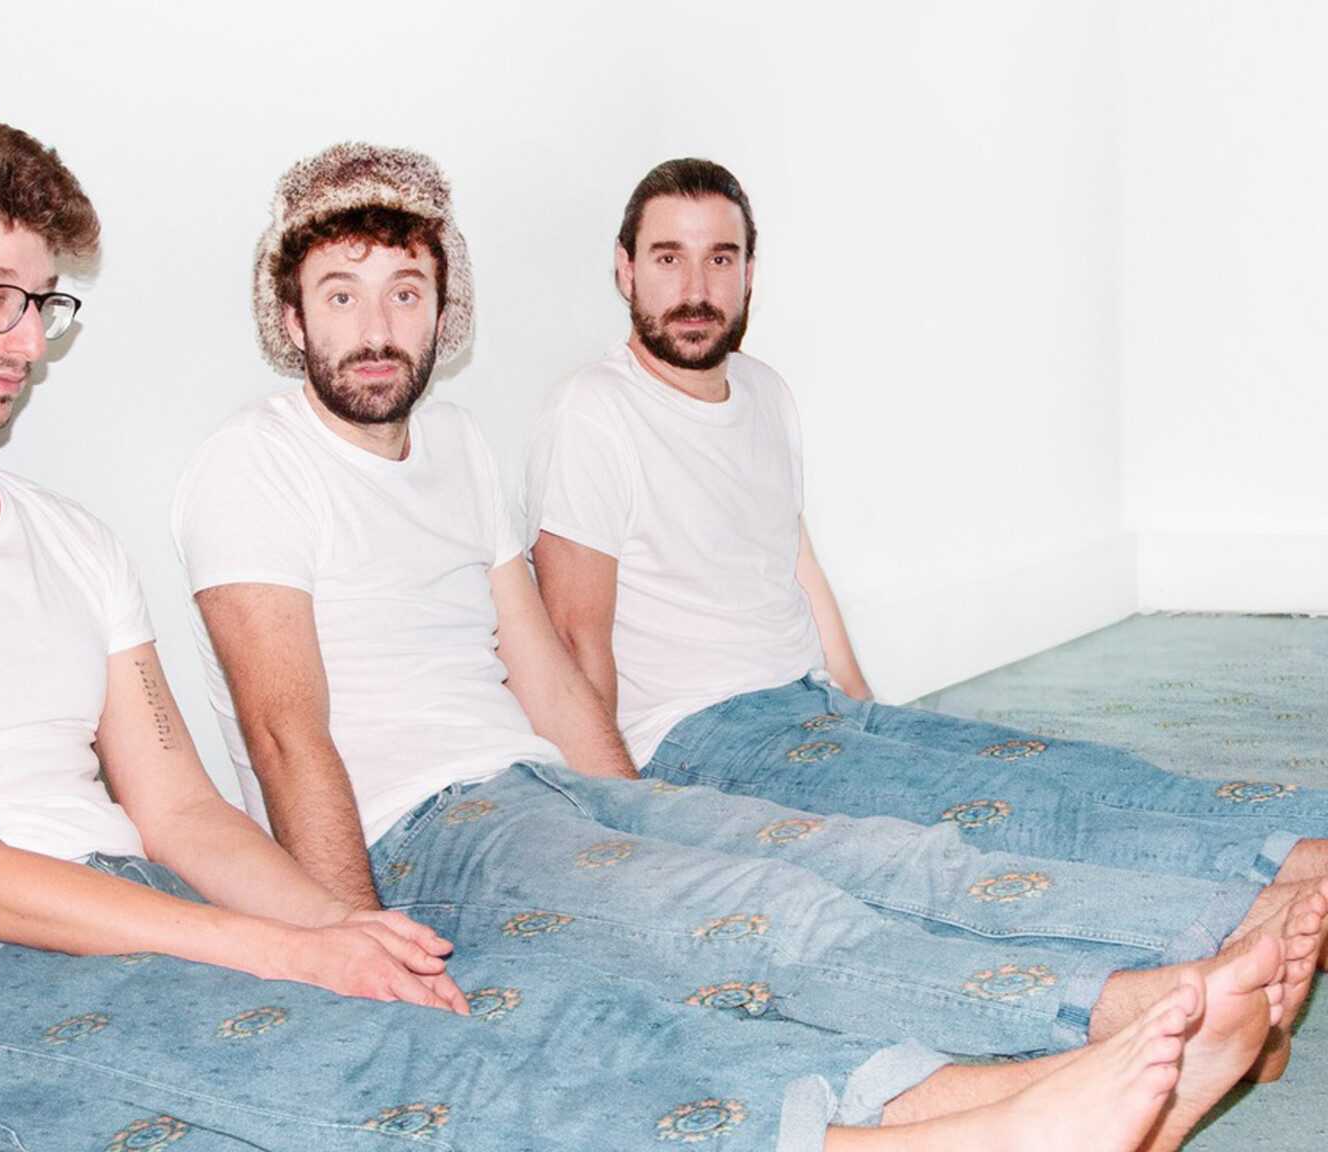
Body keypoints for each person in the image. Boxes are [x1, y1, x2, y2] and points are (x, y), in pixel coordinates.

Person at [0, 108, 1283, 1152]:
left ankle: (970, 1100)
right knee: (415, 1077)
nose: (22, 339)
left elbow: (177, 806)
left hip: (141, 892)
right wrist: (296, 938)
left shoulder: (62, 538)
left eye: (41, 303)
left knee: (531, 1008)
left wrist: (341, 933)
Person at [171, 142, 1327, 1080]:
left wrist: (638, 812)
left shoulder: (460, 448)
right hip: (419, 834)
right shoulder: (251, 465)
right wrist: (348, 945)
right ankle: (1124, 1007)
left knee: (864, 854)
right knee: (760, 910)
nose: (374, 329)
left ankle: (1213, 934)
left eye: (403, 293)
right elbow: (283, 735)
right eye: (340, 296)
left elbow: (541, 666)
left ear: (441, 311)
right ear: (290, 312)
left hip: (541, 783)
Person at [522, 158, 1328, 1072]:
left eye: (722, 258)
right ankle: (1236, 943)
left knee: (1067, 769)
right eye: (668, 259)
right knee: (1013, 822)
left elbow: (794, 563)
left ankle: (1299, 854)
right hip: (702, 742)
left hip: (812, 707)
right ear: (625, 270)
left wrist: (870, 709)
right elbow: (574, 639)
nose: (696, 288)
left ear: (752, 272)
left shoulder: (766, 394)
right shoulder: (593, 412)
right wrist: (633, 820)